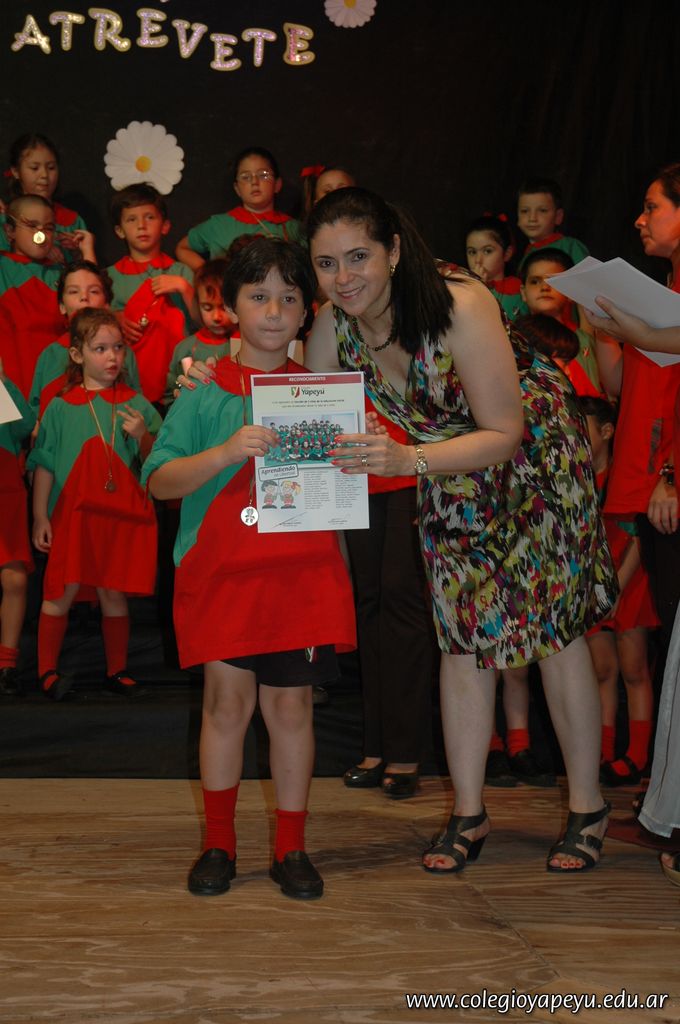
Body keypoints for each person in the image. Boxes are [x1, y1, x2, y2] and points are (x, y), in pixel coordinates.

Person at [305, 186, 617, 873]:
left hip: (532, 460)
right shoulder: (332, 328)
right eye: (327, 263)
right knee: (460, 635)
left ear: (393, 251)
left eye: (358, 257)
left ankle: (588, 806)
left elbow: (503, 433)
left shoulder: (460, 304)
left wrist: (407, 459)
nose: (343, 277)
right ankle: (469, 813)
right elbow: (304, 417)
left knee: (554, 636)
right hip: (445, 469)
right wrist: (213, 381)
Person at [142, 238, 356, 900]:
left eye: (288, 298)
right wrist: (225, 452)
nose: (273, 311)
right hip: (221, 575)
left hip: (301, 576)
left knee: (291, 707)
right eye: (258, 296)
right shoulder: (204, 389)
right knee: (225, 705)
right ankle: (219, 844)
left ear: (307, 311)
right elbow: (159, 480)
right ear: (230, 306)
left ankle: (291, 847)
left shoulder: (323, 393)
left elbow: (361, 479)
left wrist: (366, 452)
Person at [584, 162, 680, 885]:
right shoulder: (665, 289)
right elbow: (624, 386)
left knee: (670, 646)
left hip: (664, 483)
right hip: (645, 481)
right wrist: (606, 332)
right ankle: (661, 805)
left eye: (653, 207)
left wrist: (671, 472)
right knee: (672, 651)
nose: (641, 220)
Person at [27, 309, 160, 701]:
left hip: (117, 519)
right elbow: (44, 465)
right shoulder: (60, 407)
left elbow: (160, 462)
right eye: (100, 348)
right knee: (61, 590)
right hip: (72, 517)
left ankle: (116, 670)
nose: (112, 356)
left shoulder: (136, 405)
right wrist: (40, 516)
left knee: (112, 592)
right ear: (77, 354)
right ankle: (46, 671)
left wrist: (142, 437)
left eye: (118, 347)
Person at [579, 395, 658, 783]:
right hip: (593, 585)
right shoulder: (575, 480)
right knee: (602, 669)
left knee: (633, 666)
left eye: (582, 431)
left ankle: (638, 755)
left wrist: (615, 588)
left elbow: (638, 538)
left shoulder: (621, 475)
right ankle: (602, 751)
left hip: (628, 578)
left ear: (608, 432)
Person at [107, 183, 194, 406]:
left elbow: (204, 319)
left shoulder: (181, 272)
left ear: (165, 226)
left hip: (178, 379)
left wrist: (184, 287)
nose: (141, 226)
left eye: (149, 217)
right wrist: (114, 318)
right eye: (131, 219)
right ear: (119, 230)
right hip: (130, 381)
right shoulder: (110, 277)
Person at [0, 194, 95, 398]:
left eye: (49, 228)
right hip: (14, 392)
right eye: (31, 225)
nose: (41, 234)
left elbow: (94, 312)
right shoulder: (3, 268)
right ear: (10, 231)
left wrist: (87, 251)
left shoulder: (62, 274)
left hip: (60, 388)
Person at [29, 261, 140, 419]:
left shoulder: (121, 353)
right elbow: (37, 413)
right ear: (62, 305)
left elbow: (136, 406)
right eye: (73, 291)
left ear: (106, 304)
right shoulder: (50, 355)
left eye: (94, 291)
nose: (84, 297)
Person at [176, 147, 304, 271]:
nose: (254, 182)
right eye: (246, 177)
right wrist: (211, 273)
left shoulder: (293, 228)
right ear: (237, 189)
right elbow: (182, 248)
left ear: (277, 184)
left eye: (263, 175)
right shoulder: (219, 225)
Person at [0, 361, 35, 695]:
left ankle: (6, 664)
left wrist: (3, 381)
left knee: (14, 578)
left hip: (6, 488)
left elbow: (24, 425)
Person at [520, 248, 601, 393]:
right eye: (535, 281)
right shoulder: (515, 340)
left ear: (570, 291)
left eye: (553, 281)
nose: (544, 287)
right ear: (523, 292)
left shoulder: (585, 339)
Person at [0, 133, 89, 261]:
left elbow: (86, 267)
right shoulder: (6, 218)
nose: (44, 175)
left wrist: (77, 252)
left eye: (51, 168)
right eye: (34, 168)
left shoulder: (72, 221)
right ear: (16, 171)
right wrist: (40, 248)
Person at [163, 259, 232, 406]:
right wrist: (178, 398)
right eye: (207, 308)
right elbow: (170, 394)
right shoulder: (185, 348)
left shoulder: (244, 345)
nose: (216, 317)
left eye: (223, 307)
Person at [465, 214, 528, 321]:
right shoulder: (462, 291)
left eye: (487, 251)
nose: (478, 260)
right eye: (472, 252)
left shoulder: (519, 291)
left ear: (507, 254)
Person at [516, 177, 589, 266]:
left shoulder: (571, 247)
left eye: (542, 210)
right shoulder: (526, 255)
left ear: (558, 216)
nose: (532, 218)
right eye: (524, 211)